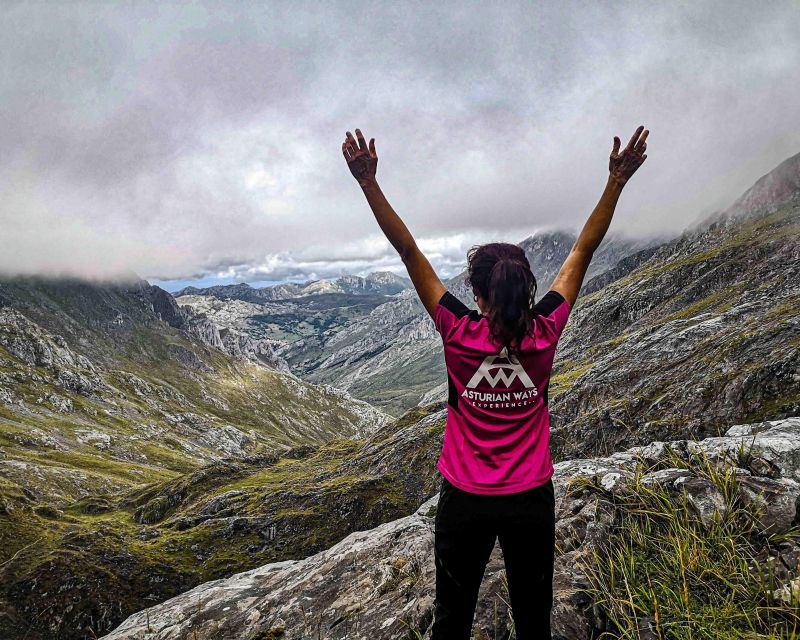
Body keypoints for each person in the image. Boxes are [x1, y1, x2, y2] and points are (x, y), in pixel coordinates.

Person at [342, 125, 648, 639]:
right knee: (532, 618)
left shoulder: (457, 330)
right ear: (526, 290)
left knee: (453, 618)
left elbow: (409, 252)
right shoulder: (546, 331)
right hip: (530, 497)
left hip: (464, 497)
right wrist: (616, 181)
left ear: (478, 296)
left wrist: (368, 182)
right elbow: (582, 252)